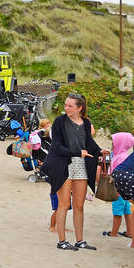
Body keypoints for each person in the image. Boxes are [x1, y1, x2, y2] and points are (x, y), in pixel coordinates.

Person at [44, 92, 102, 252]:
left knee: (79, 206)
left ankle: (80, 241)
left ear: (79, 108)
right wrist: (77, 152)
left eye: (70, 106)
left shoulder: (86, 122)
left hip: (81, 165)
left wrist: (100, 151)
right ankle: (62, 241)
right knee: (63, 205)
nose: (66, 108)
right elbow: (56, 146)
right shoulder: (59, 122)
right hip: (63, 164)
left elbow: (90, 144)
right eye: (65, 105)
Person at [101, 132, 134, 240]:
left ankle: (114, 232)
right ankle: (130, 232)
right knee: (127, 211)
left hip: (118, 190)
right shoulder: (122, 156)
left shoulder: (120, 157)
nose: (112, 144)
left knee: (117, 212)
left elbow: (118, 174)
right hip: (124, 190)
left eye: (114, 142)